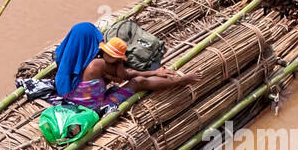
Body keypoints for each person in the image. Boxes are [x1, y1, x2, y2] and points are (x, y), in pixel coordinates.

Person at [62, 33, 200, 111]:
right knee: (139, 82)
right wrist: (153, 72)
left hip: (74, 99)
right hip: (92, 107)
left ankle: (170, 79)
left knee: (136, 79)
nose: (109, 58)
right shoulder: (101, 64)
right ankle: (179, 81)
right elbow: (126, 76)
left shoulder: (79, 58)